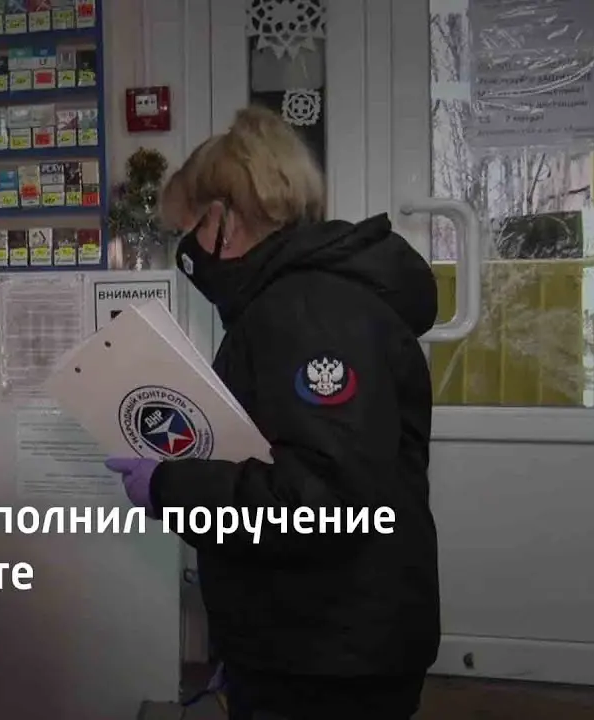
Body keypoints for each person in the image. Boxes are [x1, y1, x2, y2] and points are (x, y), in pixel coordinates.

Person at [104, 105, 441, 720]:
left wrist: (170, 486)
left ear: (222, 220)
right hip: (317, 636)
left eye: (186, 233)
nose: (187, 254)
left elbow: (320, 506)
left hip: (327, 657)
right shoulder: (302, 300)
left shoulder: (308, 311)